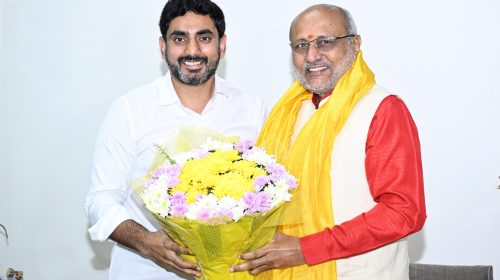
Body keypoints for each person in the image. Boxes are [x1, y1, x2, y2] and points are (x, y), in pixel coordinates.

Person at [231, 4, 426, 280]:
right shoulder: (289, 112)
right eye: (301, 45)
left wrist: (306, 248)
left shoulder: (383, 110)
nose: (312, 55)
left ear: (355, 45)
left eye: (325, 42)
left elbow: (404, 213)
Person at [85, 0, 267, 279]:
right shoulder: (130, 110)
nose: (192, 50)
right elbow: (101, 201)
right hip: (145, 271)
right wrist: (146, 242)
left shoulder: (251, 108)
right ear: (163, 46)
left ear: (222, 45)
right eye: (179, 39)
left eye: (204, 38)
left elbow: (269, 189)